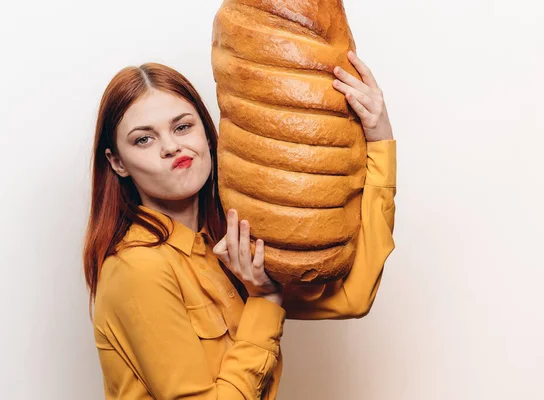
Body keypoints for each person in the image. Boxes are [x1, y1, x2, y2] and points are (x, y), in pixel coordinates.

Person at [83, 50, 396, 399]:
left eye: (182, 126)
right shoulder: (138, 268)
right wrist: (264, 299)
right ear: (118, 162)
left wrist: (379, 140)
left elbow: (351, 297)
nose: (171, 146)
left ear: (206, 132)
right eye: (144, 139)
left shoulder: (226, 246)